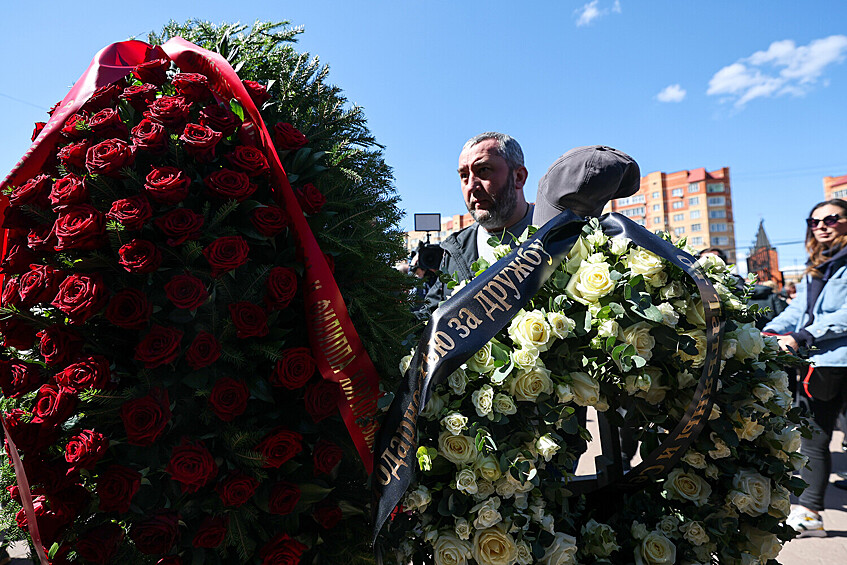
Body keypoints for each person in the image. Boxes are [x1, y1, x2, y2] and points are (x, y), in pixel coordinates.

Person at [763, 199, 847, 537]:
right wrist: (767, 332)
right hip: (823, 362)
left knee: (816, 438)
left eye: (832, 219)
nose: (822, 226)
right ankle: (810, 512)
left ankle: (810, 511)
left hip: (834, 359)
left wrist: (803, 336)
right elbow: (800, 310)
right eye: (814, 221)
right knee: (815, 437)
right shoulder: (820, 265)